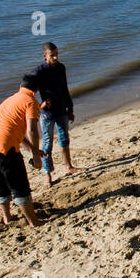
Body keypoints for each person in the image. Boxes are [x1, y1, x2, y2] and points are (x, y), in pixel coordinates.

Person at [0, 75, 45, 228]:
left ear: (21, 87)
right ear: (36, 89)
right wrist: (36, 157)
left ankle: (7, 218)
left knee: (1, 184)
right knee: (20, 185)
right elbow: (32, 131)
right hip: (4, 150)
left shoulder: (11, 99)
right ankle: (33, 221)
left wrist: (34, 150)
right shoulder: (31, 102)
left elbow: (15, 131)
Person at [31, 42, 80, 188]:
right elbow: (27, 92)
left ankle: (68, 166)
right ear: (45, 56)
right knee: (47, 143)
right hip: (47, 114)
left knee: (64, 139)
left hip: (61, 110)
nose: (56, 57)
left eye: (57, 54)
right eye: (52, 55)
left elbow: (65, 88)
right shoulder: (39, 71)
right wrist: (40, 106)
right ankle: (47, 174)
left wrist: (70, 109)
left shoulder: (60, 67)